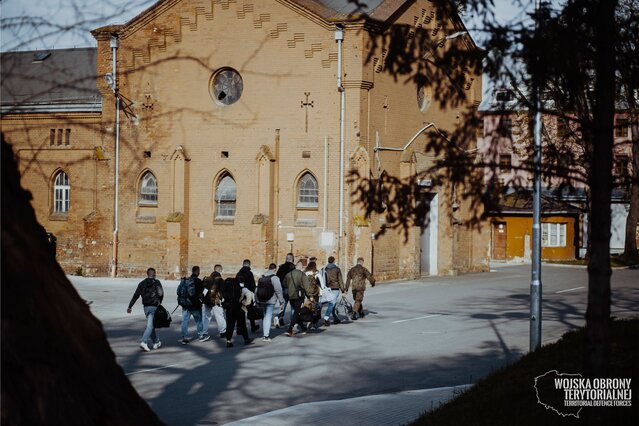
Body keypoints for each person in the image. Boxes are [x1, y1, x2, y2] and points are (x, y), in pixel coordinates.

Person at [127, 267, 164, 352]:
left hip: (146, 307)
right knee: (150, 326)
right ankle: (144, 342)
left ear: (147, 274)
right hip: (154, 307)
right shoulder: (157, 282)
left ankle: (156, 342)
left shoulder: (142, 283)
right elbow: (161, 293)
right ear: (154, 274)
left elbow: (136, 295)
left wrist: (130, 306)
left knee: (152, 325)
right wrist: (159, 302)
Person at [179, 266, 208, 344]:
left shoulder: (185, 280)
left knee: (185, 321)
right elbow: (201, 294)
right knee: (198, 321)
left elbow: (178, 292)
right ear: (197, 271)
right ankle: (201, 336)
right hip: (195, 305)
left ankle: (184, 338)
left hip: (185, 305)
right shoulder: (198, 281)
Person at [284, 261, 314, 336]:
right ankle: (290, 329)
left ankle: (303, 328)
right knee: (297, 312)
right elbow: (307, 286)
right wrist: (310, 295)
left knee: (296, 312)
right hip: (299, 295)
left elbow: (284, 284)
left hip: (291, 295)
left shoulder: (288, 274)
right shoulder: (302, 274)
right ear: (300, 266)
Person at [256, 263, 285, 342]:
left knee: (265, 316)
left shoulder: (262, 276)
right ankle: (266, 336)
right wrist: (281, 301)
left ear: (268, 268)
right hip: (271, 300)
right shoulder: (275, 278)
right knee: (268, 317)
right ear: (275, 269)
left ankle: (265, 333)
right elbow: (278, 290)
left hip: (262, 299)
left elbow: (257, 289)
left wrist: (257, 300)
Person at [222, 277, 253, 347]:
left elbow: (223, 297)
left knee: (230, 325)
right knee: (242, 325)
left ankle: (228, 341)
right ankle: (246, 339)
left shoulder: (226, 288)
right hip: (239, 308)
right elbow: (249, 294)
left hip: (229, 308)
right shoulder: (241, 288)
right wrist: (245, 303)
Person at [202, 270, 227, 339]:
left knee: (206, 317)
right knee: (219, 316)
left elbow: (204, 291)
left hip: (207, 301)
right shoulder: (220, 280)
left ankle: (204, 332)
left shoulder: (207, 280)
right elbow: (223, 291)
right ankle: (222, 331)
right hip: (216, 301)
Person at [236, 259, 259, 333]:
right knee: (251, 310)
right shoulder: (249, 273)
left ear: (243, 264)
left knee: (240, 311)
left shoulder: (238, 273)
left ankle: (239, 328)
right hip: (249, 294)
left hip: (240, 295)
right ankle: (253, 326)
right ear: (249, 264)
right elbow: (253, 285)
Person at [322, 256, 344, 326]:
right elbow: (340, 280)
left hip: (327, 288)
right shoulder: (337, 269)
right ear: (334, 261)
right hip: (335, 288)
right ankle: (326, 318)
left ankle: (335, 318)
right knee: (332, 304)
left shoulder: (325, 269)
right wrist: (343, 289)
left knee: (332, 303)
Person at [276, 253, 296, 326]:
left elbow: (277, 277)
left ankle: (279, 318)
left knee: (283, 304)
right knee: (293, 306)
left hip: (282, 288)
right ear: (292, 259)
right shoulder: (292, 267)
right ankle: (292, 321)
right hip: (290, 288)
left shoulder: (281, 267)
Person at [304, 261, 321, 330]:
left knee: (308, 306)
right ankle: (313, 321)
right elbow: (320, 284)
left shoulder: (304, 273)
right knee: (315, 307)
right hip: (315, 293)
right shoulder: (316, 273)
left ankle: (307, 319)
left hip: (307, 292)